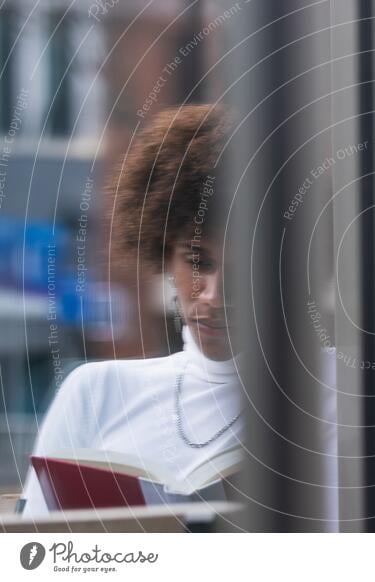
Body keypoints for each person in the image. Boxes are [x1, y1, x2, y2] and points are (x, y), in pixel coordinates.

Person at [20, 105, 243, 515]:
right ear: (164, 256)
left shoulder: (347, 398)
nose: (213, 295)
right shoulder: (94, 394)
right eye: (197, 262)